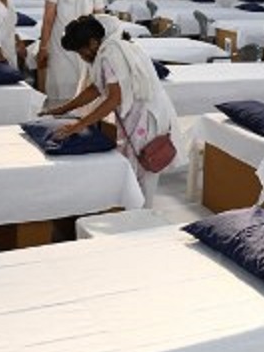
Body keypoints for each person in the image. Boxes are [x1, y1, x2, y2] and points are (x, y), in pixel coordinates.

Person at [42, 14, 182, 207]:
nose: (81, 57)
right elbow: (96, 89)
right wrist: (63, 108)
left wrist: (79, 125)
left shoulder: (110, 54)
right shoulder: (109, 51)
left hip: (146, 117)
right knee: (133, 169)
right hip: (137, 115)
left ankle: (143, 217)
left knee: (144, 170)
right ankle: (133, 212)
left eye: (80, 51)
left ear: (92, 42)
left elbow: (114, 98)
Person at [38, 0, 106, 104]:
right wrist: (43, 47)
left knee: (85, 84)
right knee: (61, 83)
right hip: (61, 45)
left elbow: (101, 18)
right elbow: (48, 20)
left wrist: (100, 47)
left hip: (87, 46)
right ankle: (58, 115)